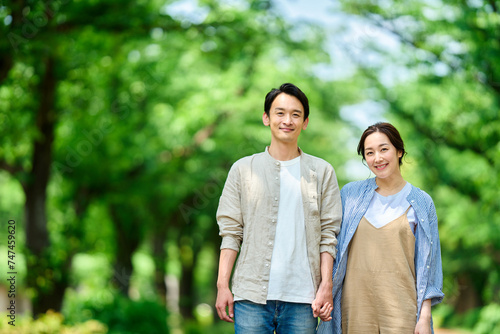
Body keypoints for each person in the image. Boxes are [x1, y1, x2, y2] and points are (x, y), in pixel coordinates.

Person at [215, 83, 342, 333]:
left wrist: (326, 286)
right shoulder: (243, 170)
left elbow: (329, 235)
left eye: (296, 114)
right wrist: (222, 286)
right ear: (266, 118)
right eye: (280, 113)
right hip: (250, 296)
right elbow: (231, 233)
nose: (288, 120)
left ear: (305, 122)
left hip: (303, 299)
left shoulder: (322, 172)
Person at [317, 122, 444, 334]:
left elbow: (429, 265)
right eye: (369, 152)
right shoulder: (350, 195)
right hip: (355, 310)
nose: (377, 158)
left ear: (399, 151)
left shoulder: (421, 202)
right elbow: (329, 240)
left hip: (402, 312)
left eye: (384, 149)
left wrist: (424, 317)